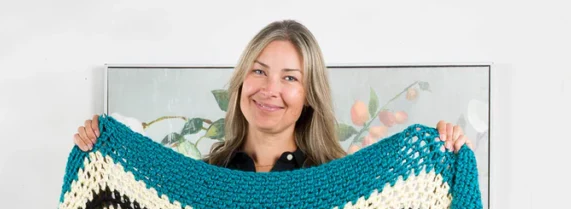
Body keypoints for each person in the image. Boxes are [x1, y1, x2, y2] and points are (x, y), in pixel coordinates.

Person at [73, 20, 470, 172]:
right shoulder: (206, 180)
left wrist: (443, 151)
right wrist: (102, 155)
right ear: (241, 81)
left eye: (290, 78)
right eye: (259, 71)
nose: (270, 90)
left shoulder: (336, 181)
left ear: (309, 95)